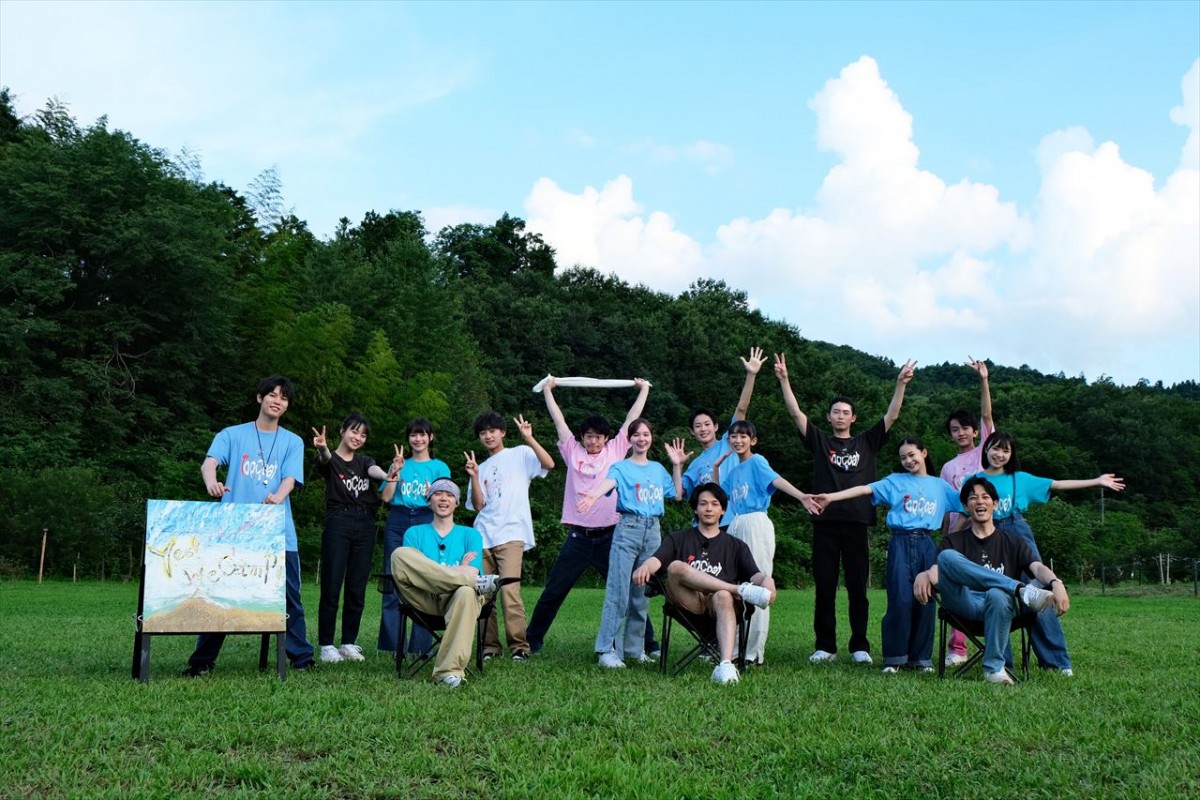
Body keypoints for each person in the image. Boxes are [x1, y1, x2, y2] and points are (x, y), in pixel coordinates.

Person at [775, 352, 916, 665]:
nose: (840, 416)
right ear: (829, 417)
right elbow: (796, 414)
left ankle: (859, 645)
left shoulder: (866, 442)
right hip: (824, 523)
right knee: (824, 587)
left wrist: (900, 384)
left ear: (853, 418)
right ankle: (825, 645)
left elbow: (891, 416)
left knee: (857, 588)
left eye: (846, 412)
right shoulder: (820, 442)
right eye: (835, 412)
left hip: (856, 523)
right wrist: (784, 379)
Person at [183, 376, 314, 676]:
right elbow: (209, 463)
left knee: (289, 597)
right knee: (219, 595)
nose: (277, 400)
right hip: (233, 532)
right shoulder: (232, 434)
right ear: (259, 398)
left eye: (283, 397)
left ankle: (302, 659)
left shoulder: (293, 441)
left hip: (278, 532)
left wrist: (276, 498)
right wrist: (212, 484)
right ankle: (202, 661)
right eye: (271, 394)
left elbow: (290, 479)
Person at [971, 431, 1125, 675]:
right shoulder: (975, 480)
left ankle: (1056, 663)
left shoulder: (1019, 478)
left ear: (1011, 455)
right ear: (985, 449)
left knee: (1038, 593)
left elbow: (1057, 484)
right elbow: (961, 515)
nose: (1000, 454)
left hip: (1017, 533)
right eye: (995, 448)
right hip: (986, 536)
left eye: (1006, 450)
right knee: (996, 594)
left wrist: (1096, 481)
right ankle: (1002, 663)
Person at [526, 376, 659, 656]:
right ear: (582, 437)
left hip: (612, 536)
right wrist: (549, 391)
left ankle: (650, 643)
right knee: (554, 590)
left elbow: (631, 420)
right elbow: (559, 421)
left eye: (599, 436)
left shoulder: (615, 451)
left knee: (626, 591)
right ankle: (531, 642)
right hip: (578, 537)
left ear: (607, 439)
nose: (594, 441)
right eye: (589, 436)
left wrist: (643, 389)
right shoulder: (572, 451)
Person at [814, 438, 962, 673]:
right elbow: (865, 489)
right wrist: (832, 497)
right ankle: (894, 658)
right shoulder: (895, 481)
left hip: (927, 543)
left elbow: (968, 506)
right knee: (900, 599)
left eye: (912, 455)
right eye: (903, 457)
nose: (908, 460)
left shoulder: (940, 486)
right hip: (900, 543)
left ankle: (921, 659)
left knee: (926, 599)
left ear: (924, 453)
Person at [913, 477, 1070, 685]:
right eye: (973, 498)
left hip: (1000, 606)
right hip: (964, 602)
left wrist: (1056, 583)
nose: (980, 502)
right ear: (966, 506)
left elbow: (1037, 567)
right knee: (945, 557)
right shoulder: (954, 540)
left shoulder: (1014, 541)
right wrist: (922, 574)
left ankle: (994, 669)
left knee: (997, 593)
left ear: (995, 504)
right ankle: (1019, 589)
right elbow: (936, 572)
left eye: (986, 497)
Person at [631, 484, 776, 685]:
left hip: (720, 606)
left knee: (723, 595)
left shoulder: (735, 545)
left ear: (723, 510)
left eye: (715, 504)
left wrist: (769, 582)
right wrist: (645, 567)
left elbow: (757, 575)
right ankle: (737, 589)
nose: (709, 508)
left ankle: (725, 665)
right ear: (695, 509)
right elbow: (657, 559)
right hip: (687, 602)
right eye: (703, 504)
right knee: (675, 567)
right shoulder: (678, 538)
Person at [579, 419, 687, 668]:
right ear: (629, 440)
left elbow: (678, 495)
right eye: (636, 435)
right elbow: (609, 484)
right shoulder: (621, 467)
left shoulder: (659, 469)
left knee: (642, 593)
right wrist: (594, 495)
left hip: (652, 531)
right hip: (628, 529)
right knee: (618, 592)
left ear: (651, 438)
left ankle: (634, 649)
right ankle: (607, 650)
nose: (642, 438)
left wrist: (677, 466)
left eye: (646, 434)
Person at [712, 419, 820, 665]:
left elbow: (777, 480)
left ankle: (752, 653)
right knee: (738, 586)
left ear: (753, 440)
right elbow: (718, 494)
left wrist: (802, 496)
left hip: (755, 523)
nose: (738, 441)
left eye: (743, 436)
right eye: (733, 436)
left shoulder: (757, 461)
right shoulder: (735, 470)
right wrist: (717, 467)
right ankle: (736, 649)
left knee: (758, 585)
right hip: (736, 523)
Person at [389, 478, 502, 688]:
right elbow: (411, 571)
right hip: (424, 598)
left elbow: (471, 569)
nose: (443, 498)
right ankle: (473, 583)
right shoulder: (414, 533)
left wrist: (430, 570)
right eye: (438, 493)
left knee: (467, 593)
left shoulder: (470, 535)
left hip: (457, 599)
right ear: (429, 500)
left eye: (450, 495)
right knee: (399, 555)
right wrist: (459, 570)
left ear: (456, 503)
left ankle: (448, 673)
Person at [466, 411, 554, 661]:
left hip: (512, 534)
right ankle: (489, 647)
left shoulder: (520, 453)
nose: (488, 436)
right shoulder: (480, 467)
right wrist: (473, 478)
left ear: (502, 432)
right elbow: (478, 505)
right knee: (483, 592)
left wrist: (529, 438)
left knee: (509, 592)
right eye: (483, 433)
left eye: (492, 431)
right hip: (482, 535)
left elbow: (549, 464)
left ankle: (519, 647)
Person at [311, 413, 392, 663]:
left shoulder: (365, 460)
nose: (358, 437)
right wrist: (323, 448)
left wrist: (387, 474)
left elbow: (374, 470)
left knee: (357, 585)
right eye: (354, 431)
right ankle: (326, 644)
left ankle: (348, 642)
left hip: (365, 523)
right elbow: (325, 460)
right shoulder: (331, 459)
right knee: (332, 583)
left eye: (363, 434)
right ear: (343, 431)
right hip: (338, 521)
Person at [377, 418, 451, 656]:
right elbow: (386, 498)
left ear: (431, 437)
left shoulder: (440, 467)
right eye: (413, 435)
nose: (417, 439)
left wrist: (432, 494)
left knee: (425, 580)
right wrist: (394, 475)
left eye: (422, 435)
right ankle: (391, 646)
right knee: (393, 579)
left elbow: (444, 501)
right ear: (408, 439)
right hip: (397, 520)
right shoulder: (399, 464)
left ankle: (421, 646)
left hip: (424, 519)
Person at [939, 357, 995, 666]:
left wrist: (983, 379)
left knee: (990, 584)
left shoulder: (985, 452)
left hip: (987, 532)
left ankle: (997, 644)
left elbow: (987, 414)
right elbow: (948, 507)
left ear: (975, 432)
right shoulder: (948, 468)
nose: (960, 433)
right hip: (959, 536)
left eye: (964, 429)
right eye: (954, 430)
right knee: (958, 587)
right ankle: (957, 647)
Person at [680, 347, 768, 525]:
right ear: (692, 431)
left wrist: (751, 375)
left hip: (733, 520)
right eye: (698, 426)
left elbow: (741, 408)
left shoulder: (729, 442)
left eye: (707, 424)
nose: (703, 429)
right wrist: (677, 465)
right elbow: (679, 493)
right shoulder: (695, 464)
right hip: (705, 525)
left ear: (716, 427)